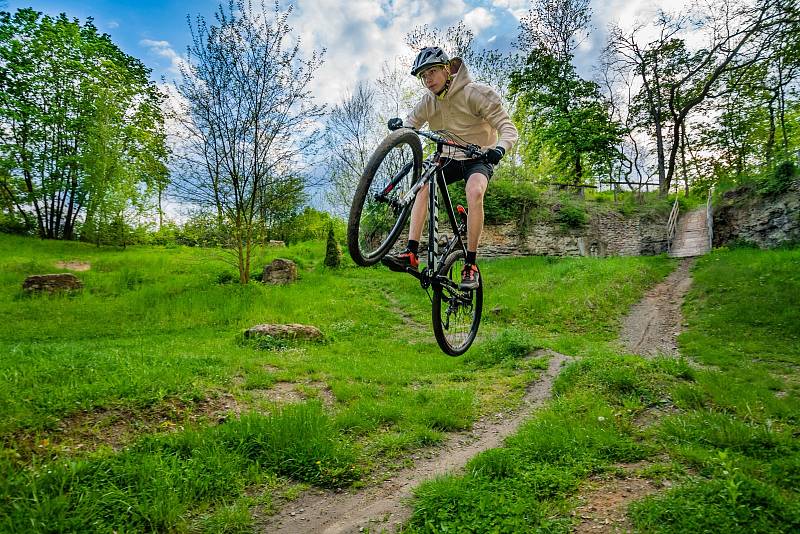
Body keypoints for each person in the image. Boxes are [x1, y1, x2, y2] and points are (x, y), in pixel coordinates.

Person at [383, 46, 518, 290]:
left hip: (478, 157)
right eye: (423, 76)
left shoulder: (475, 94)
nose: (428, 79)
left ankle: (471, 264)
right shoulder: (428, 102)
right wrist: (400, 126)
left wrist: (499, 149)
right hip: (448, 157)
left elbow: (508, 128)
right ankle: (411, 253)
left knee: (475, 192)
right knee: (421, 183)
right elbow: (410, 125)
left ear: (447, 69)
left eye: (433, 71)